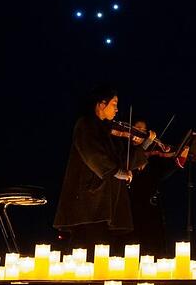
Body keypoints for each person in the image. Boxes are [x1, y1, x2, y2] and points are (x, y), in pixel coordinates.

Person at [53, 85, 145, 249]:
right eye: (114, 104)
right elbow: (94, 156)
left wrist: (140, 146)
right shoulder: (85, 124)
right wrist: (118, 172)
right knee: (86, 247)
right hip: (88, 204)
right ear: (101, 104)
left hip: (105, 206)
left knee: (103, 249)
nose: (117, 109)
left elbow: (122, 161)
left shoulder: (107, 131)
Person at [126, 118, 188, 257]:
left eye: (143, 131)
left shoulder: (152, 153)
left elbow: (161, 174)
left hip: (149, 204)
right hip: (129, 205)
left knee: (153, 243)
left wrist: (178, 161)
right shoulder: (125, 149)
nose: (139, 133)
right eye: (136, 129)